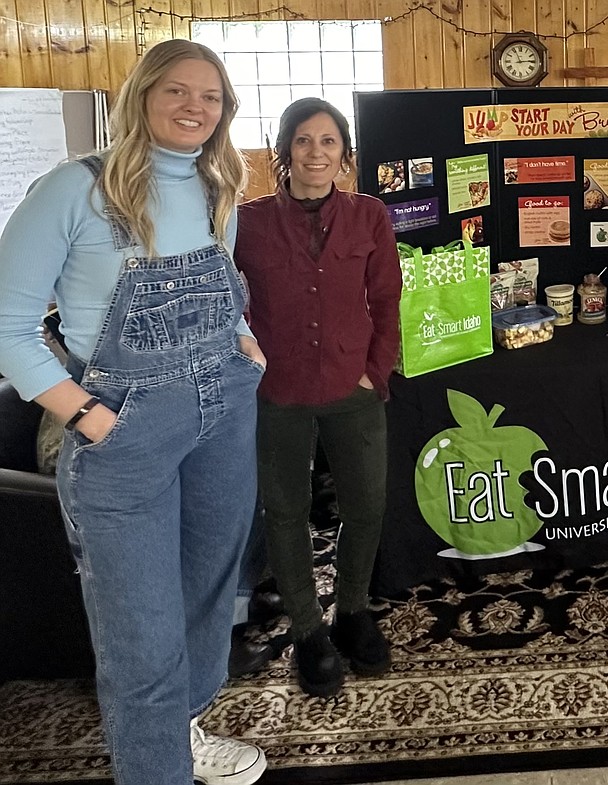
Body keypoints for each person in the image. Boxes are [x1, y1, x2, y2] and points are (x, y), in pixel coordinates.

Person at [0, 39, 267, 785]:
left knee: (210, 596)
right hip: (124, 436)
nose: (195, 107)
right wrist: (86, 414)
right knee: (141, 635)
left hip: (225, 420)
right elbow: (7, 324)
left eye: (210, 97)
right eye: (178, 91)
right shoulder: (72, 190)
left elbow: (229, 289)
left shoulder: (219, 187)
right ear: (142, 94)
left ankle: (182, 733)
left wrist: (248, 344)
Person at [234, 97, 402, 698]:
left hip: (350, 387)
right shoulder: (245, 223)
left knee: (367, 503)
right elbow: (227, 307)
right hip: (276, 391)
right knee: (284, 511)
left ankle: (352, 609)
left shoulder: (370, 216)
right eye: (303, 141)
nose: (315, 153)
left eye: (328, 142)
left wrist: (373, 371)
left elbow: (386, 302)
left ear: (345, 155)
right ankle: (308, 630)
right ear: (283, 152)